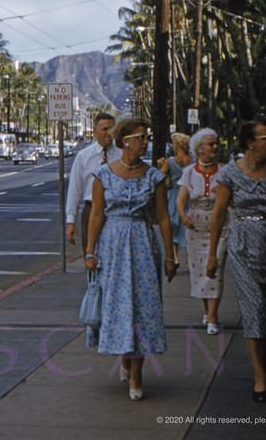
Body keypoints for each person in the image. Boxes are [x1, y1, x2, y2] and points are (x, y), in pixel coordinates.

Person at [84, 117, 177, 401]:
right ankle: (124, 357)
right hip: (112, 245)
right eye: (141, 137)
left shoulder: (154, 177)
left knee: (143, 306)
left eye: (147, 137)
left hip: (143, 244)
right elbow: (97, 214)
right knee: (119, 305)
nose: (146, 142)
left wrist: (170, 254)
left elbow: (162, 216)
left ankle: (137, 374)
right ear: (125, 141)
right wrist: (89, 251)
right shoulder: (103, 175)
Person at [206, 120, 266, 403]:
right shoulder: (230, 173)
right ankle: (260, 377)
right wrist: (212, 254)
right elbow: (219, 214)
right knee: (254, 310)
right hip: (243, 247)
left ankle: (263, 363)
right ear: (250, 143)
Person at [176, 128, 227, 335]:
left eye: (216, 144)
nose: (214, 147)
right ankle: (207, 310)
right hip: (196, 225)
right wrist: (183, 216)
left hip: (220, 225)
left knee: (216, 267)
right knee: (200, 270)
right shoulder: (189, 172)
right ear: (198, 149)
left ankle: (213, 316)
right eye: (210, 144)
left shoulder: (224, 172)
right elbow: (181, 200)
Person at [65, 113, 120, 255]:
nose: (109, 133)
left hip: (116, 210)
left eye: (112, 129)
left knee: (115, 255)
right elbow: (74, 189)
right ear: (95, 131)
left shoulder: (122, 154)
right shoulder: (84, 156)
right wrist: (71, 221)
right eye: (105, 129)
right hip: (92, 210)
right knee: (91, 255)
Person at [159, 132, 191, 259]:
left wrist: (161, 166)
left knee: (173, 226)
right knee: (188, 225)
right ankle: (190, 257)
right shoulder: (192, 160)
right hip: (188, 194)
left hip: (174, 195)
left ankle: (175, 255)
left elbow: (159, 176)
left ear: (177, 146)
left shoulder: (170, 161)